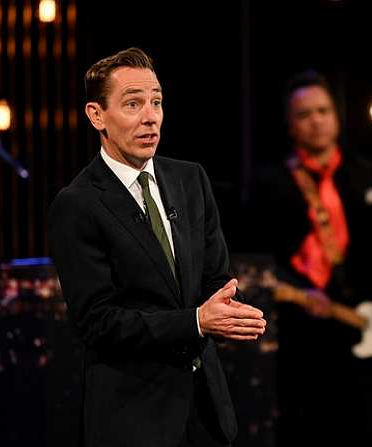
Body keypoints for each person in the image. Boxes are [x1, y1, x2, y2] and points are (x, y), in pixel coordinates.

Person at [48, 47, 267, 447]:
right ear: (97, 115)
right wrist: (197, 322)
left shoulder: (190, 180)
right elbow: (99, 322)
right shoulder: (77, 204)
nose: (150, 116)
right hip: (133, 419)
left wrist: (234, 310)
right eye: (133, 104)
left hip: (206, 416)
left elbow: (216, 279)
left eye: (157, 102)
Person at [249, 70, 372, 446]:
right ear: (290, 125)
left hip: (360, 327)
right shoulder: (271, 182)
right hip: (299, 329)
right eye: (304, 114)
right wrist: (300, 291)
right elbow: (259, 258)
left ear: (337, 117)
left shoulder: (368, 175)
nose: (316, 121)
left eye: (323, 111)